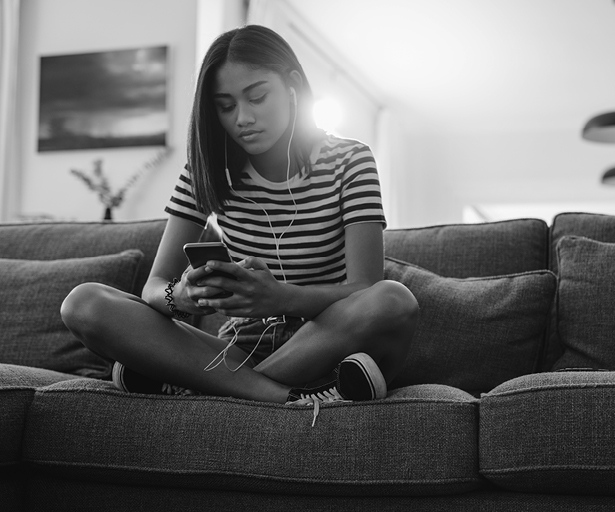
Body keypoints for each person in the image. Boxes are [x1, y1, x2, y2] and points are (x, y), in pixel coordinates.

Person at [60, 25, 419, 415]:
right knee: (84, 303)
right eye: (226, 105)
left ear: (293, 86)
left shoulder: (351, 162)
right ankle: (285, 397)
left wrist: (282, 298)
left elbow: (364, 287)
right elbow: (154, 287)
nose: (243, 118)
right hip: (234, 348)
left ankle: (201, 386)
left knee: (393, 299)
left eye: (258, 97)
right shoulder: (206, 170)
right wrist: (180, 295)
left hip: (322, 341)